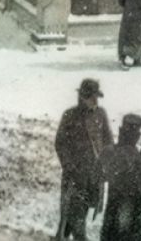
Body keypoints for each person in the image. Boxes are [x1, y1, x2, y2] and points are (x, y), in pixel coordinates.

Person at [54, 79, 114, 241]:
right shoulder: (70, 115)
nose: (95, 101)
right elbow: (60, 143)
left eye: (96, 97)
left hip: (94, 173)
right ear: (82, 97)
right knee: (75, 211)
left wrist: (107, 164)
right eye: (91, 97)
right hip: (76, 174)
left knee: (84, 208)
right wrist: (69, 166)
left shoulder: (101, 114)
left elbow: (108, 141)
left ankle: (63, 235)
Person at [98, 113, 141, 241]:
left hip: (113, 218)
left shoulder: (110, 152)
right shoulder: (135, 157)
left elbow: (99, 176)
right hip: (129, 220)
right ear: (136, 135)